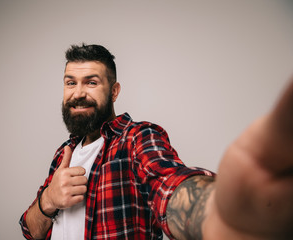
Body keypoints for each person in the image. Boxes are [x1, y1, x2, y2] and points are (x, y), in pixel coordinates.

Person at [19, 44, 293, 240]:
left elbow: (168, 182)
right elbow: (30, 230)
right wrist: (48, 200)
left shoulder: (137, 137)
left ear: (114, 92)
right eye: (70, 83)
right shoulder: (62, 154)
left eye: (91, 83)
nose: (78, 93)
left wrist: (216, 215)